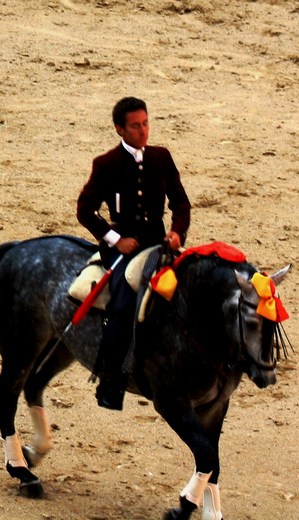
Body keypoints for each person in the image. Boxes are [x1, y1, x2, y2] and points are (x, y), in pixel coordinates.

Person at [75, 96, 191, 410]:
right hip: (122, 247)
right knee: (124, 302)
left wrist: (177, 231)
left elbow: (180, 204)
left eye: (145, 123)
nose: (143, 131)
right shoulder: (106, 164)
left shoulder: (161, 157)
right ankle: (112, 381)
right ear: (120, 129)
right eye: (136, 126)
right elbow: (85, 210)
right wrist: (116, 239)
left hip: (159, 242)